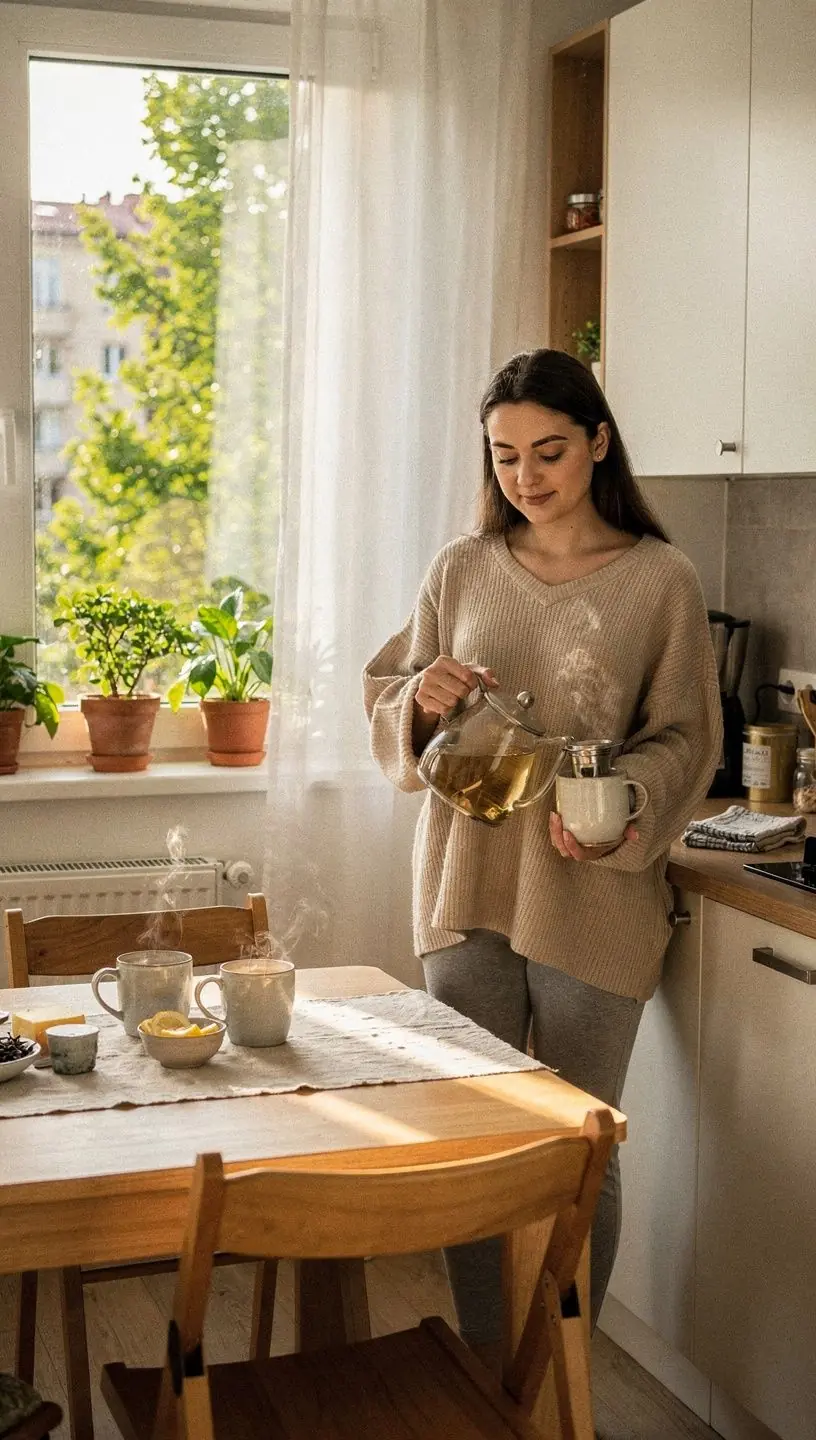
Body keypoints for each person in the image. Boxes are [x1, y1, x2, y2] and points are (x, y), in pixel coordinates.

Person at [362, 347, 721, 1361]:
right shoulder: (461, 566)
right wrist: (420, 698)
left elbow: (686, 735)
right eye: (506, 455)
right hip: (466, 884)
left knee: (577, 1147)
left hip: (595, 891)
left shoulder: (661, 579)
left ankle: (555, 1384)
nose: (526, 476)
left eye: (549, 451)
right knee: (477, 1141)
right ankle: (491, 1381)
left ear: (598, 442)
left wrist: (623, 802)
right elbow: (389, 694)